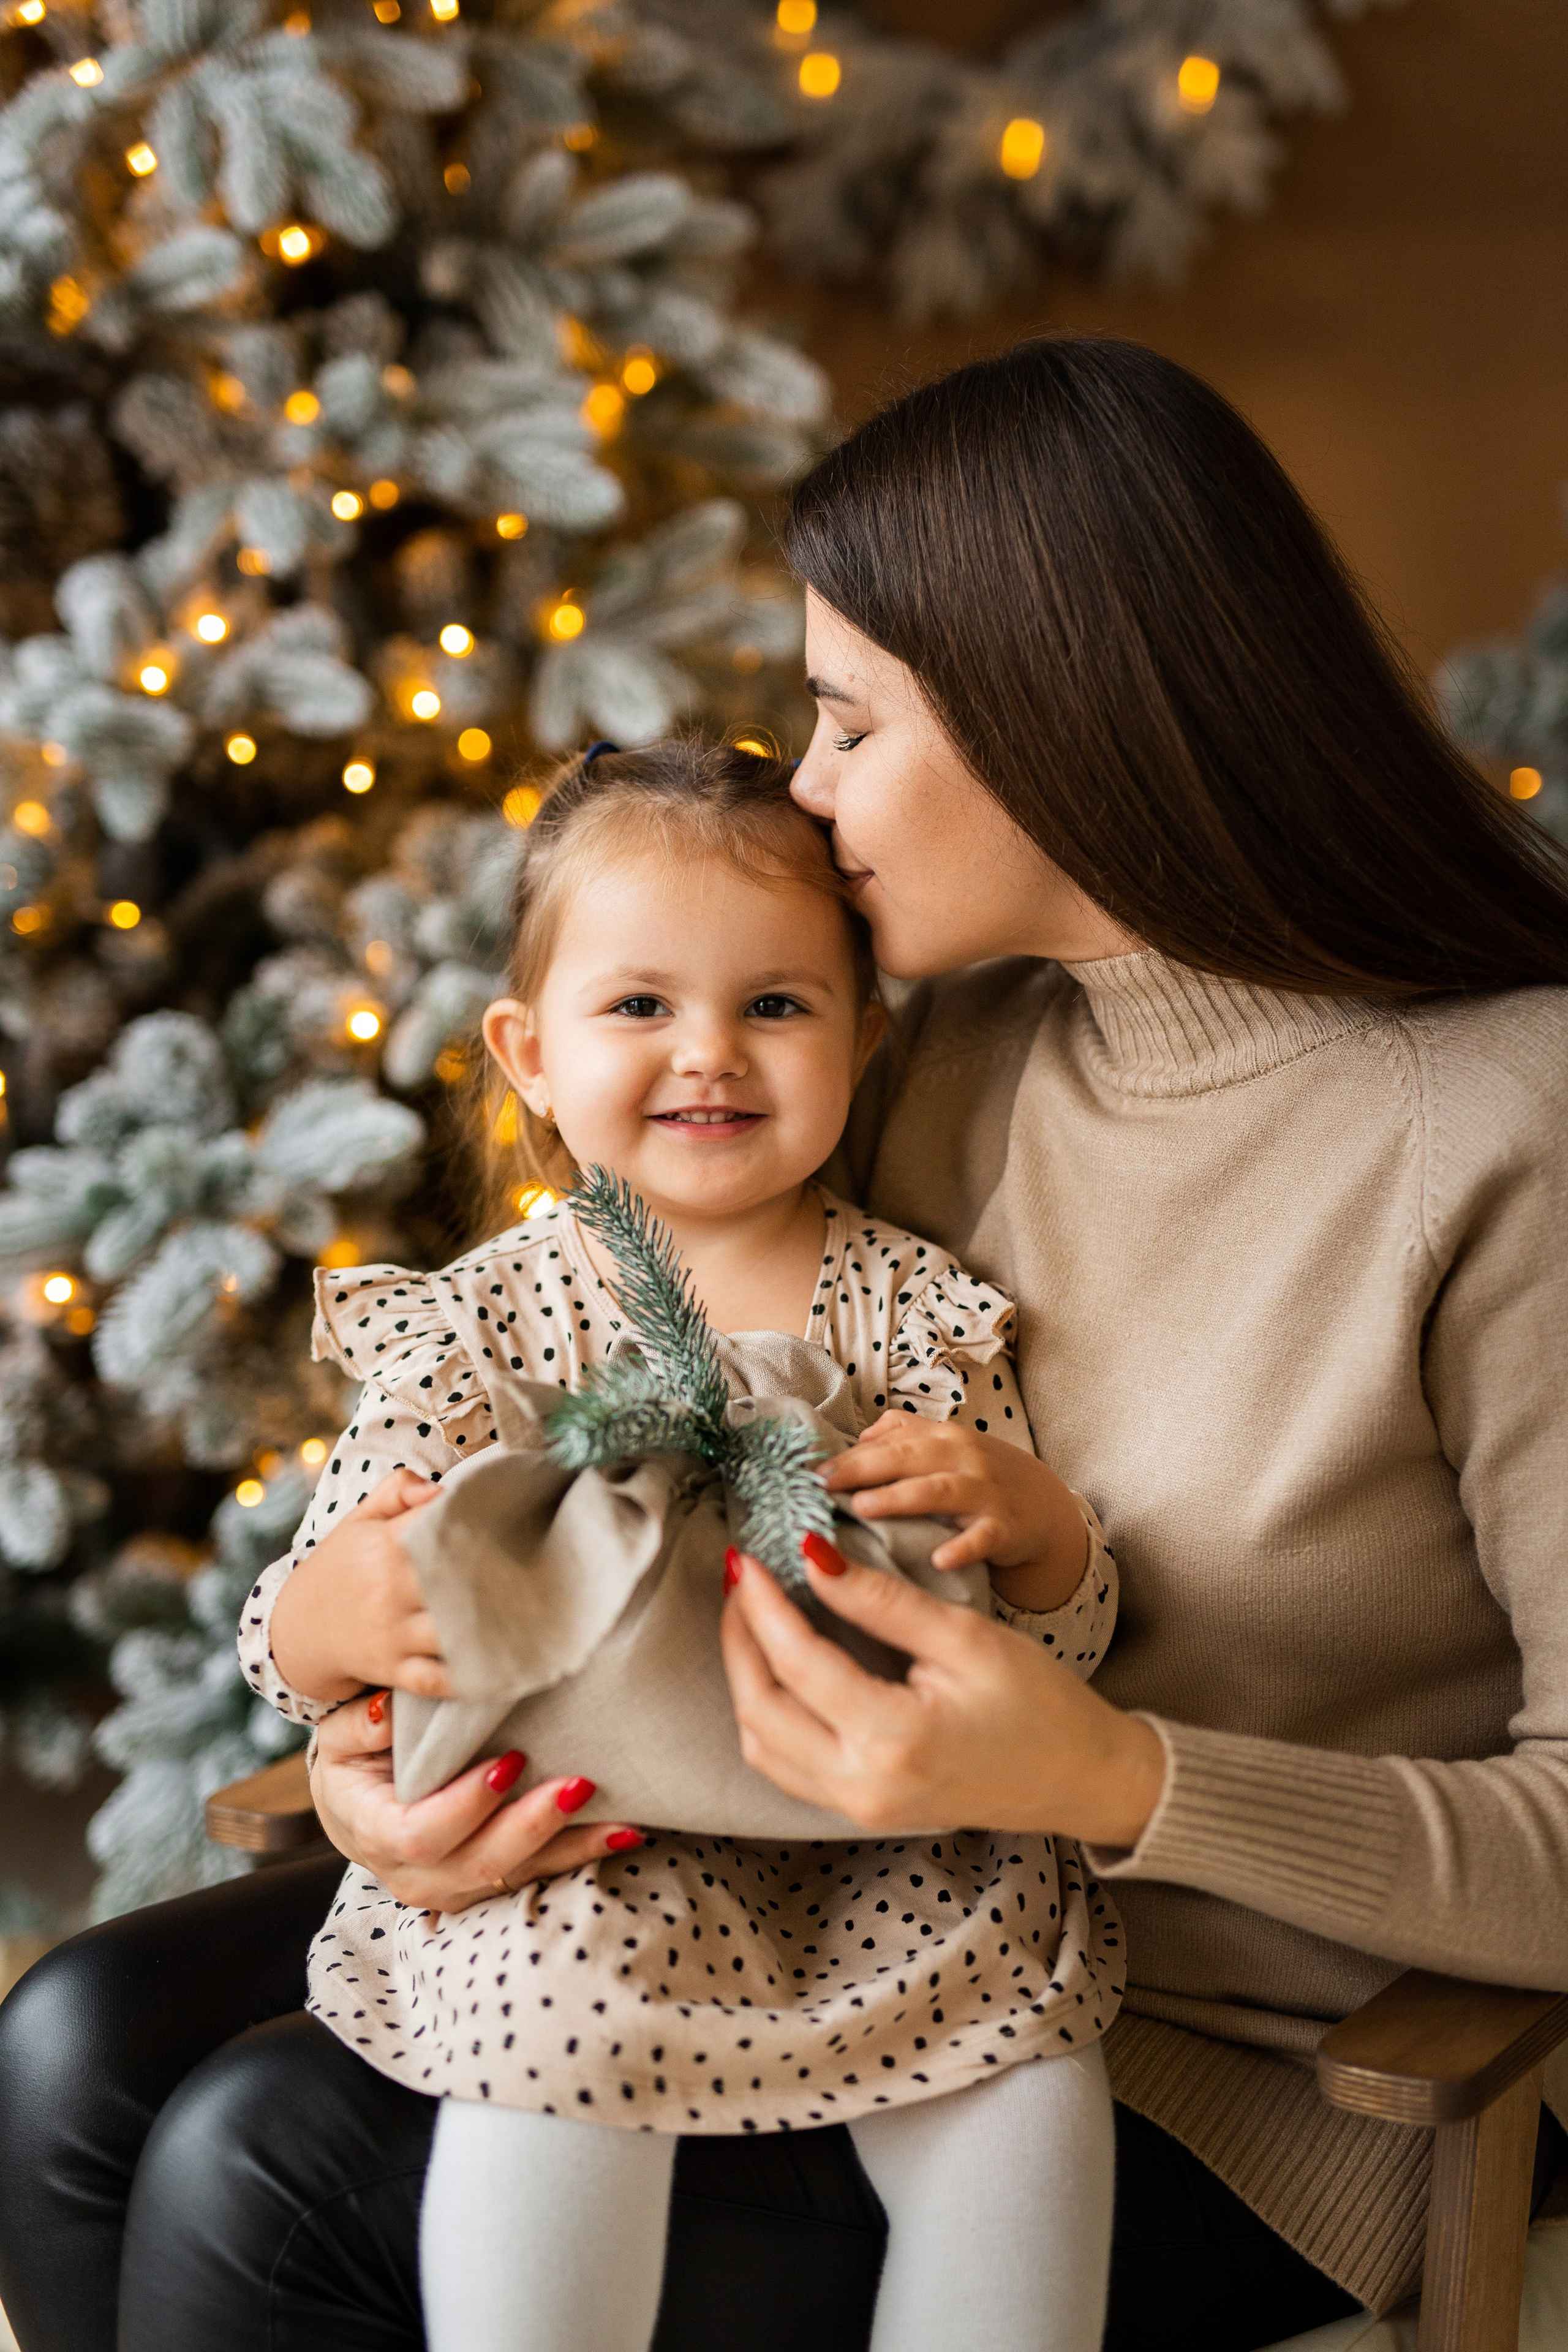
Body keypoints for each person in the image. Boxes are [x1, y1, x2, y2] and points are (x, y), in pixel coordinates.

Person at [2, 332, 1566, 2352]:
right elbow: (615, 1485)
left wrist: (1112, 1772)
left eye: (846, 724)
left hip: (1220, 2057)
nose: (807, 802)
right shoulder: (957, 1045)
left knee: (265, 2166)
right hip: (741, 1873)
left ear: (1055, 713)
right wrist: (378, 1756)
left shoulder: (1513, 1130)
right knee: (70, 2054)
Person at [244, 736, 1124, 2352]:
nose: (709, 1054)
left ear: (864, 1035)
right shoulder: (489, 1331)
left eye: (775, 1006)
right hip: (587, 1862)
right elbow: (294, 1640)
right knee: (542, 2096)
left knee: (1030, 2113)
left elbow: (1042, 1661)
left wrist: (1053, 1545)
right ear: (527, 1049)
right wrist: (327, 1620)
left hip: (902, 1854)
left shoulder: (917, 1317)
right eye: (640, 1006)